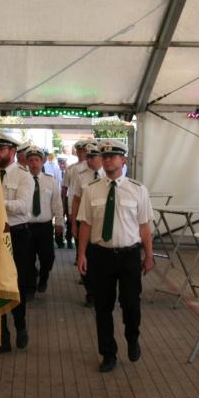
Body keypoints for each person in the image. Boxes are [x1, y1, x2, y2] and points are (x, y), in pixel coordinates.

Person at [76, 140, 154, 373]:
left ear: (123, 160)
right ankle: (108, 353)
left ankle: (132, 337)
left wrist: (149, 256)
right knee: (103, 307)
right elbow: (86, 224)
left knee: (131, 304)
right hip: (101, 256)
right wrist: (81, 254)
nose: (108, 159)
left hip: (129, 255)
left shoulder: (138, 189)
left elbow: (144, 226)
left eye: (113, 156)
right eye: (105, 156)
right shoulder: (91, 189)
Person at [0, 131, 35, 356]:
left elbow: (23, 206)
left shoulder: (23, 176)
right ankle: (1, 339)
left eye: (1, 149)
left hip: (17, 235)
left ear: (12, 151)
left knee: (16, 284)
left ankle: (20, 325)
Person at [69, 141, 104, 306]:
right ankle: (90, 291)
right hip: (83, 222)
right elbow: (76, 200)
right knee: (84, 256)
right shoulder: (81, 175)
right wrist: (73, 223)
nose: (88, 160)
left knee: (100, 259)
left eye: (92, 157)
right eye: (87, 157)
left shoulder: (109, 175)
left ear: (101, 157)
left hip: (102, 224)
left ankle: (101, 289)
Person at [25, 146, 64, 293]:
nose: (34, 163)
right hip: (26, 226)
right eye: (31, 160)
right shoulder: (22, 180)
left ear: (42, 162)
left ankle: (43, 278)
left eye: (37, 160)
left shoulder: (50, 181)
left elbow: (57, 203)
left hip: (45, 227)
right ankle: (30, 287)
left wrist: (59, 223)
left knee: (48, 258)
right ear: (27, 163)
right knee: (27, 258)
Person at [61, 140, 89, 249]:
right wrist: (63, 205)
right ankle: (73, 246)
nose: (81, 153)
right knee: (74, 227)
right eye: (79, 151)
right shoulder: (71, 168)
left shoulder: (92, 168)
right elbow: (64, 188)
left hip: (87, 204)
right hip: (73, 203)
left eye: (83, 151)